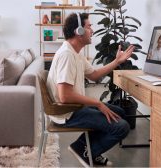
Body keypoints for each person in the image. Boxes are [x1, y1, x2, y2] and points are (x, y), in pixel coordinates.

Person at [46, 13, 135, 167]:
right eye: (89, 27)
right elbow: (64, 96)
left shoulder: (75, 53)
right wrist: (98, 104)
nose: (92, 30)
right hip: (66, 112)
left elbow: (94, 76)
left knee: (120, 113)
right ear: (78, 31)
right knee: (122, 127)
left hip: (74, 108)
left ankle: (85, 148)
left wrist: (116, 61)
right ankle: (87, 152)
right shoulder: (67, 55)